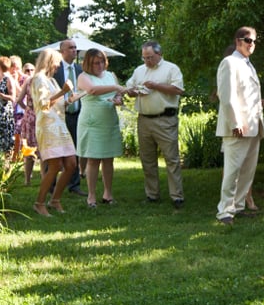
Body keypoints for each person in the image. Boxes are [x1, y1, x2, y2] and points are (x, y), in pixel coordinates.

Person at [124, 40, 187, 208]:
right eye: (144, 57)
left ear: (159, 54)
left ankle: (177, 196)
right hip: (144, 119)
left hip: (165, 119)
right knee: (147, 160)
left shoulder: (171, 69)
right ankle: (152, 194)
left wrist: (156, 86)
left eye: (150, 57)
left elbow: (178, 90)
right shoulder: (139, 70)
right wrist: (133, 91)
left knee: (171, 159)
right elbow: (129, 89)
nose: (147, 61)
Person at [215, 27, 264, 225]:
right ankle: (225, 211)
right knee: (232, 171)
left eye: (254, 41)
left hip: (253, 125)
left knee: (247, 171)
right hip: (237, 127)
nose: (251, 44)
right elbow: (226, 96)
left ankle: (238, 206)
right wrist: (235, 123)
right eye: (248, 40)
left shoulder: (248, 64)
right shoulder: (230, 62)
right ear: (238, 40)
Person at [27, 49, 81, 217]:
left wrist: (69, 100)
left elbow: (57, 103)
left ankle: (55, 200)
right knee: (55, 165)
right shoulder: (38, 79)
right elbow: (43, 105)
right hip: (48, 126)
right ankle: (39, 203)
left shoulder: (51, 80)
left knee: (71, 164)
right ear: (49, 61)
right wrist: (63, 91)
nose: (58, 66)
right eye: (57, 62)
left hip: (59, 125)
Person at [77, 48, 125, 207]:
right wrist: (116, 88)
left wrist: (118, 99)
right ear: (88, 64)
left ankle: (108, 194)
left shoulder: (111, 75)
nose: (100, 65)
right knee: (93, 159)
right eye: (96, 63)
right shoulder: (83, 77)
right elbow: (92, 90)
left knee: (108, 159)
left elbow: (118, 95)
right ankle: (91, 196)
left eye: (102, 62)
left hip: (108, 121)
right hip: (92, 123)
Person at [50, 39, 87, 197]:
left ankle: (74, 184)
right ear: (62, 51)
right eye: (70, 48)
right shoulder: (55, 69)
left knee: (75, 150)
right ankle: (51, 185)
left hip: (76, 115)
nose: (74, 50)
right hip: (58, 115)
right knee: (55, 151)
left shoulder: (80, 69)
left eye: (75, 48)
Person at [0, 56, 19, 158]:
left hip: (4, 113)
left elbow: (13, 97)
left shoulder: (9, 79)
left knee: (6, 139)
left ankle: (7, 163)